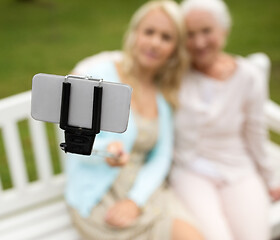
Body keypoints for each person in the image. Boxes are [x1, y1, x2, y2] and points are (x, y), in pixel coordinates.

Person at [65, 1, 204, 239]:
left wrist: (135, 201)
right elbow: (75, 147)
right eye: (149, 32)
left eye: (166, 37)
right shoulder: (98, 77)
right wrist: (106, 151)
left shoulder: (163, 92)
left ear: (175, 47)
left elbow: (161, 155)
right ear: (135, 34)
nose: (155, 43)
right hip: (98, 192)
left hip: (145, 189)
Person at [170, 0, 280, 239]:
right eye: (190, 34)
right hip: (190, 169)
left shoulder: (248, 76)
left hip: (237, 166)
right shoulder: (175, 73)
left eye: (206, 31)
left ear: (223, 30)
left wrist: (271, 179)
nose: (199, 42)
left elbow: (256, 131)